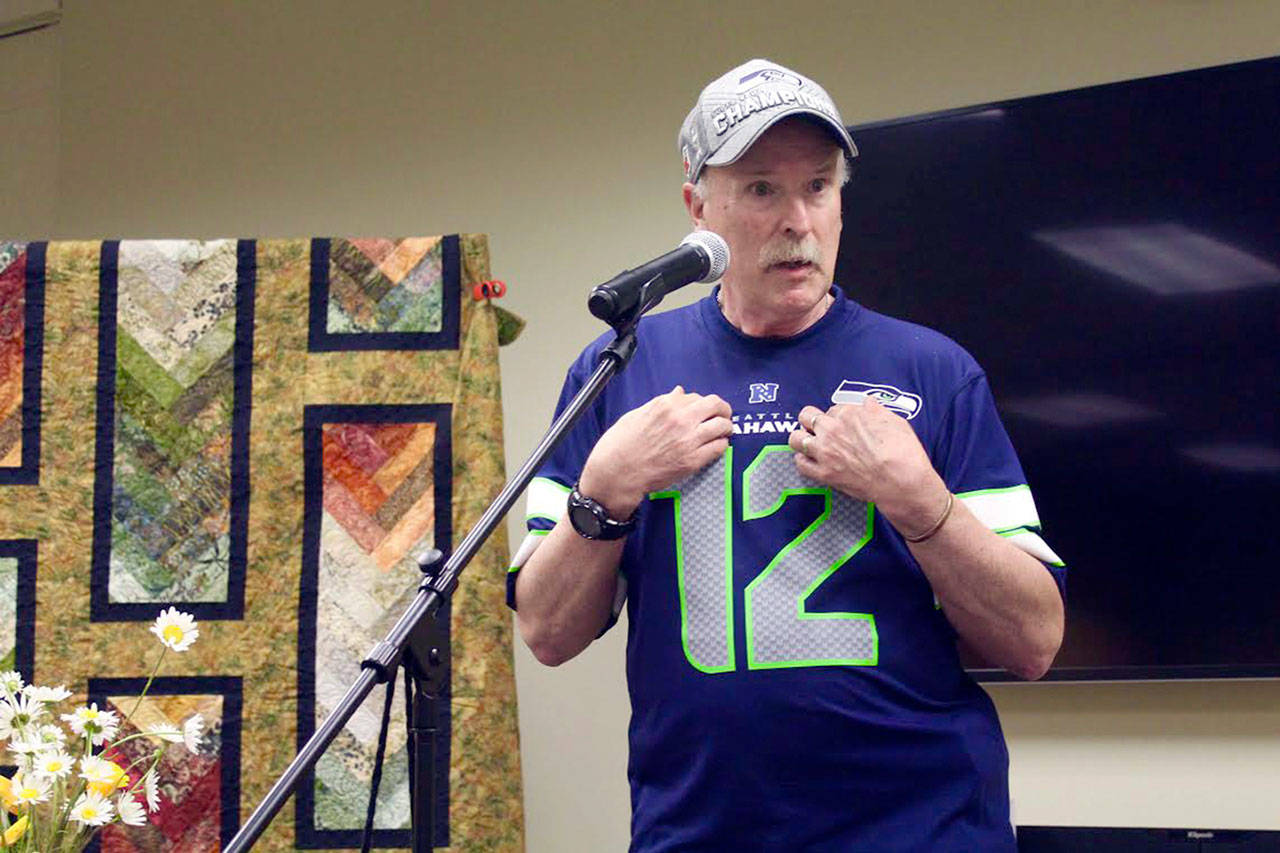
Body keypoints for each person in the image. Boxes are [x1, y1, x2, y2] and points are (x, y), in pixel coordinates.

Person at [508, 58, 1066, 852]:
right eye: (763, 188)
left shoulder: (934, 371)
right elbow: (548, 633)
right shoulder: (619, 370)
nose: (797, 219)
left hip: (924, 829)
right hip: (700, 830)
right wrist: (604, 490)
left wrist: (920, 502)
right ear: (698, 207)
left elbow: (1035, 640)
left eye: (819, 186)